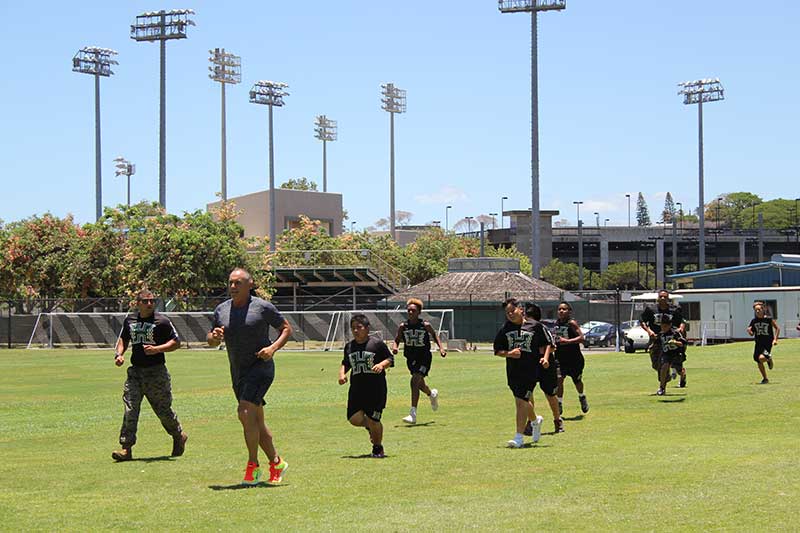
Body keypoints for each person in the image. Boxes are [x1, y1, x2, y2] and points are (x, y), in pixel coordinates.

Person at [207, 268, 292, 485]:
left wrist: (272, 349)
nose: (233, 287)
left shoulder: (262, 307)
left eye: (238, 283)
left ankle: (252, 466)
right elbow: (211, 339)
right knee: (254, 421)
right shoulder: (221, 310)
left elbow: (285, 328)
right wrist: (214, 337)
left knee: (244, 412)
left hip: (261, 367)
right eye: (230, 283)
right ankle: (277, 462)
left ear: (249, 285)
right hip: (238, 371)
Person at [112, 289, 187, 462]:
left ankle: (178, 435)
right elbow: (123, 339)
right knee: (130, 409)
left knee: (163, 411)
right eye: (145, 301)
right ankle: (126, 448)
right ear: (137, 303)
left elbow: (176, 342)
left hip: (156, 373)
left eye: (152, 301)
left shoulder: (162, 321)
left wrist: (157, 349)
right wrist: (119, 354)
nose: (149, 304)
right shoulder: (130, 320)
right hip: (135, 373)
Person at [339, 314, 394, 458]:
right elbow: (345, 363)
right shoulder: (349, 346)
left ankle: (378, 448)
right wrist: (342, 374)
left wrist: (381, 365)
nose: (356, 331)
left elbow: (390, 358)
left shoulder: (377, 344)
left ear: (367, 328)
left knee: (374, 419)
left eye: (359, 327)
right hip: (356, 389)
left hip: (375, 390)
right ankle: (370, 427)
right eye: (353, 328)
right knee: (353, 419)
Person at [391, 298, 447, 424]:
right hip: (411, 358)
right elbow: (397, 339)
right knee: (419, 383)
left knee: (414, 380)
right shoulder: (403, 326)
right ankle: (431, 394)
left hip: (424, 358)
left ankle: (413, 414)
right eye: (409, 310)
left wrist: (441, 348)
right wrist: (395, 348)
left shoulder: (425, 325)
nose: (410, 313)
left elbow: (434, 335)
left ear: (419, 312)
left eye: (413, 311)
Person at [523, 303, 563, 434]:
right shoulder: (521, 329)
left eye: (526, 316)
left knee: (550, 394)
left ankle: (557, 420)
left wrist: (543, 356)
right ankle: (531, 422)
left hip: (545, 364)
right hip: (529, 364)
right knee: (527, 393)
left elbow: (551, 346)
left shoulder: (540, 328)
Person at [640, 289, 687, 388]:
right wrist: (649, 331)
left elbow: (682, 320)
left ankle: (680, 376)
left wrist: (680, 329)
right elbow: (642, 321)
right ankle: (666, 376)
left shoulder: (675, 309)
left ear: (668, 298)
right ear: (657, 298)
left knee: (675, 363)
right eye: (660, 296)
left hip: (671, 338)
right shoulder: (650, 309)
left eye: (665, 297)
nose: (662, 298)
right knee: (656, 364)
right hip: (657, 338)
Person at [553, 301, 589, 415]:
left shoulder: (572, 323)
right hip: (560, 358)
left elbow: (582, 338)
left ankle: (582, 396)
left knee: (577, 381)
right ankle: (559, 403)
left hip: (574, 358)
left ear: (569, 311)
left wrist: (567, 341)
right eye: (559, 309)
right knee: (559, 379)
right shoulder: (556, 324)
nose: (561, 311)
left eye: (564, 309)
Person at [653, 315, 687, 396]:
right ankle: (662, 388)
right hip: (666, 354)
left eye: (665, 326)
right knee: (664, 367)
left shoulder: (675, 333)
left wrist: (675, 342)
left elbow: (683, 343)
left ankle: (683, 377)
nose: (663, 328)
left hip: (676, 354)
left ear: (669, 325)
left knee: (679, 370)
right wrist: (652, 346)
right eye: (662, 326)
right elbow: (656, 343)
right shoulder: (661, 335)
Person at [746, 301, 779, 384]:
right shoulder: (754, 321)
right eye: (756, 310)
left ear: (763, 309)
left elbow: (777, 329)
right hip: (758, 343)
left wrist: (775, 339)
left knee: (761, 358)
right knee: (758, 360)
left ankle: (769, 358)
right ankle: (765, 378)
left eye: (759, 310)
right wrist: (749, 331)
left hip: (767, 343)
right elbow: (752, 333)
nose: (757, 311)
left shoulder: (768, 319)